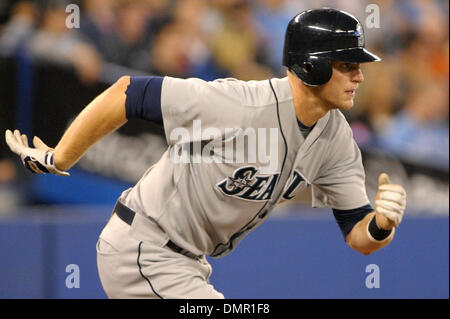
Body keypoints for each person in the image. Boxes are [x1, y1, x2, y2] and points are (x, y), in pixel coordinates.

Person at [5, 8, 407, 299]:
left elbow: (359, 235)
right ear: (312, 65)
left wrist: (382, 224)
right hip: (142, 247)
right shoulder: (237, 103)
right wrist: (60, 158)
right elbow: (126, 92)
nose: (360, 75)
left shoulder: (336, 138)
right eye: (346, 63)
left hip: (186, 262)